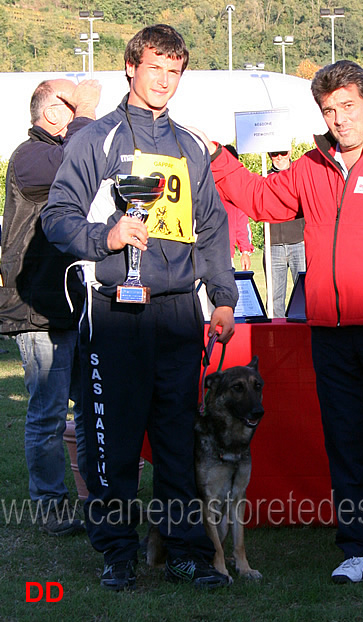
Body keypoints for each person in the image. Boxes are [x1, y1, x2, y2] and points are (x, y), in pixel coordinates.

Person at [198, 60, 363, 591]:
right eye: (328, 110)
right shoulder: (311, 166)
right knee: (347, 445)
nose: (338, 119)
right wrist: (218, 159)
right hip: (331, 336)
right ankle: (362, 548)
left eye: (347, 106)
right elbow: (261, 198)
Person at [41, 24, 237, 592]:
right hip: (113, 315)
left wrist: (223, 297)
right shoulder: (93, 140)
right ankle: (117, 552)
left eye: (174, 72)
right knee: (113, 442)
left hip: (178, 315)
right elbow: (57, 218)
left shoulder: (192, 146)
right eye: (154, 68)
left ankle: (184, 552)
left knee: (178, 442)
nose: (163, 81)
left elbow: (212, 230)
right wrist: (106, 235)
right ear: (130, 67)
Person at [0, 78, 101, 536]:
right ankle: (48, 504)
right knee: (47, 411)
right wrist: (87, 113)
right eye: (70, 103)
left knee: (87, 408)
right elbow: (76, 164)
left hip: (69, 304)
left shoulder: (50, 149)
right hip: (37, 306)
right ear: (53, 114)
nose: (79, 107)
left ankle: (92, 497)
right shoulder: (32, 155)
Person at [266, 149, 305, 317]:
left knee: (304, 296)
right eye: (274, 154)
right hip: (273, 245)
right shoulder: (264, 177)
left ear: (289, 152)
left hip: (299, 243)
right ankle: (276, 339)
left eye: (282, 152)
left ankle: (305, 337)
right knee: (274, 299)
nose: (279, 157)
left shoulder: (300, 175)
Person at [223, 145, 254, 270]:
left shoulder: (237, 189)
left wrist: (245, 251)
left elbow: (242, 222)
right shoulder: (205, 185)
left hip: (226, 256)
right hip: (203, 253)